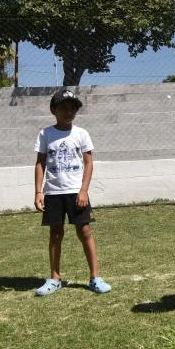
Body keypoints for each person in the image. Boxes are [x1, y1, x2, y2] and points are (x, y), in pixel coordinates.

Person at [33, 88, 111, 296]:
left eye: (72, 109)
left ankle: (95, 278)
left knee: (84, 231)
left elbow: (89, 163)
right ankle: (55, 278)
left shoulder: (81, 134)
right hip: (53, 193)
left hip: (76, 192)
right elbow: (40, 164)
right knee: (56, 233)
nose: (69, 112)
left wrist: (83, 190)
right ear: (53, 110)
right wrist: (38, 192)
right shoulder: (45, 134)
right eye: (64, 108)